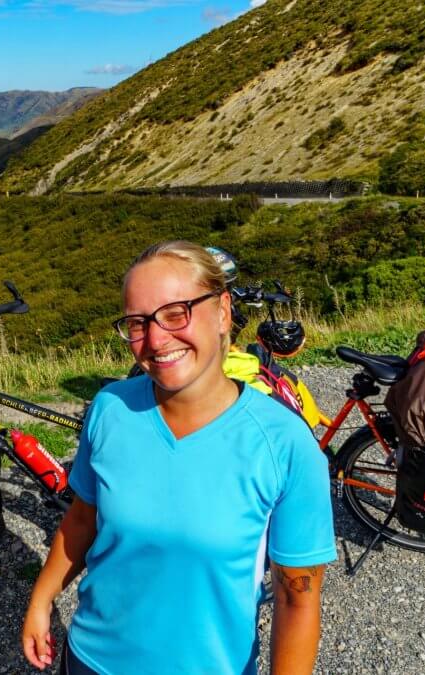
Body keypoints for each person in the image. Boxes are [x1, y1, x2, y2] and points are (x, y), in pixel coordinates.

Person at [21, 240, 336, 674]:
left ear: (223, 312)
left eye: (176, 313)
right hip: (91, 660)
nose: (155, 339)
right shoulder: (110, 408)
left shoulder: (284, 444)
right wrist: (41, 599)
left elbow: (296, 596)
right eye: (138, 322)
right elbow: (81, 519)